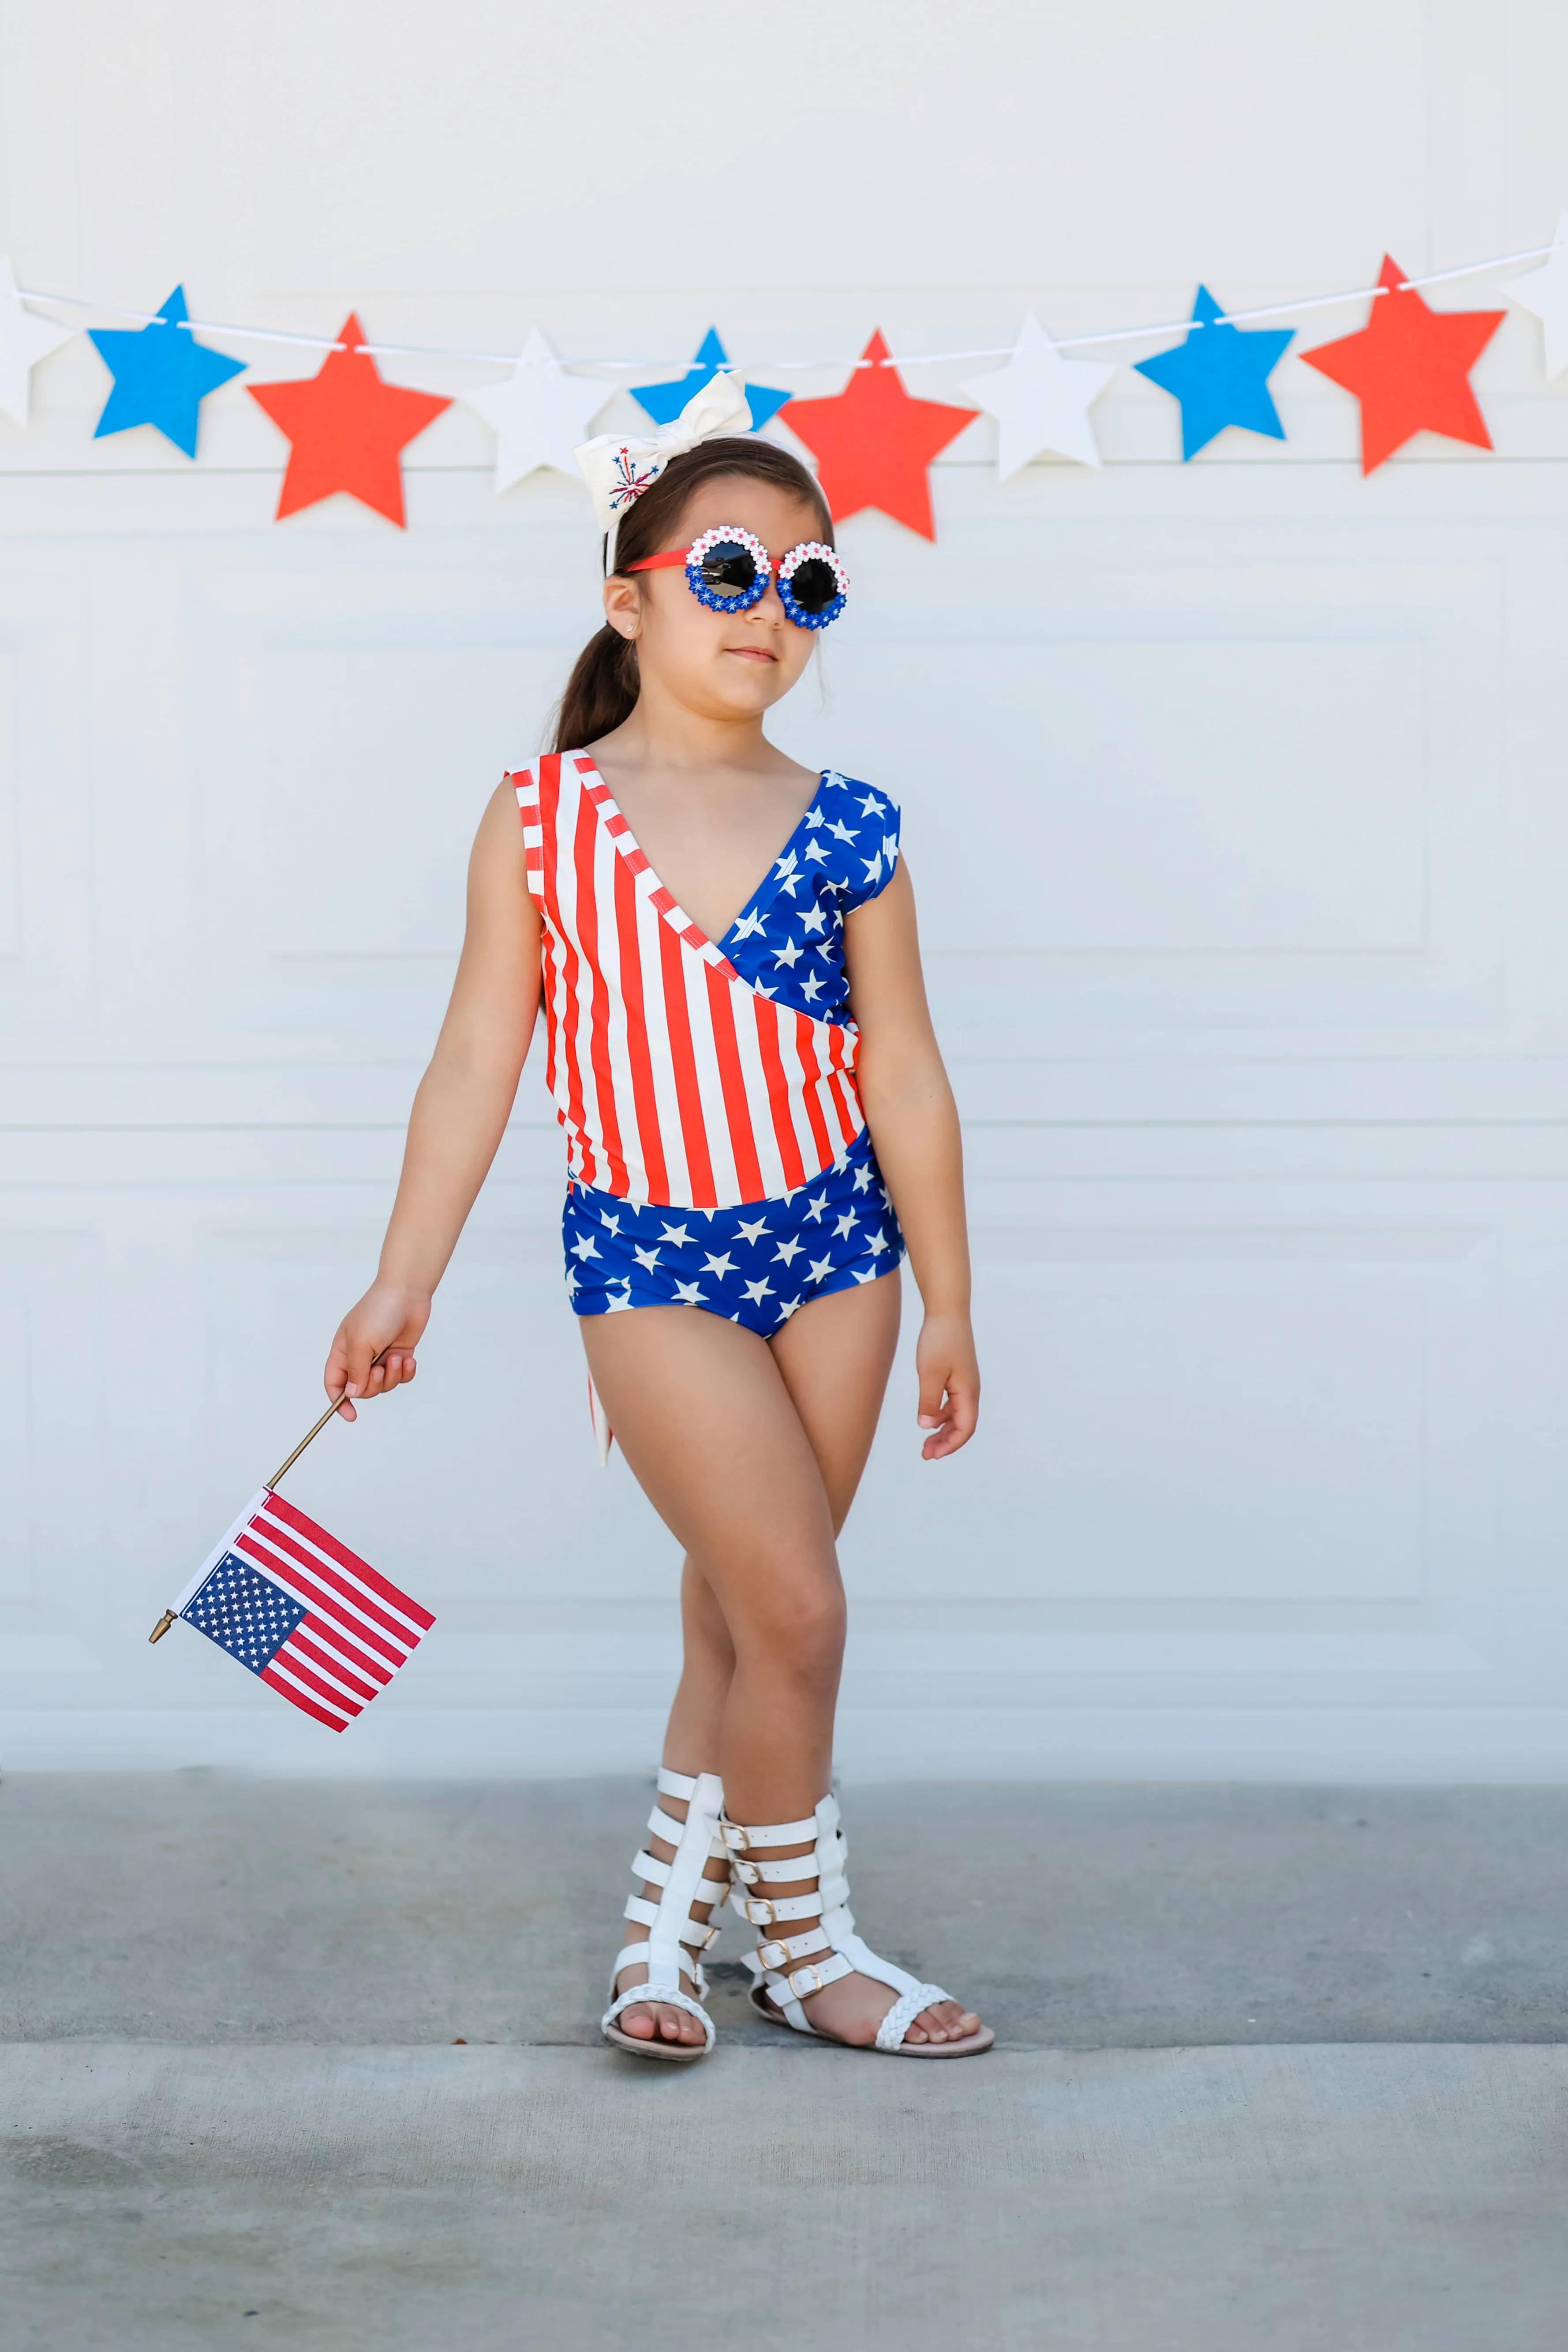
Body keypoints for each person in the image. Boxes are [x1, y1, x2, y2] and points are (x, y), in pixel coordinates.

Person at [325, 377, 991, 2062]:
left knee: (735, 1611)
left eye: (810, 582)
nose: (770, 608)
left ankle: (662, 1937)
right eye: (727, 570)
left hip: (837, 1257)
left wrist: (953, 1300)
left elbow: (904, 1074)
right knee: (800, 1611)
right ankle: (815, 1947)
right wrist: (402, 1276)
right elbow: (479, 1056)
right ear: (628, 598)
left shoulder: (853, 823)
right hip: (654, 1266)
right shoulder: (543, 819)